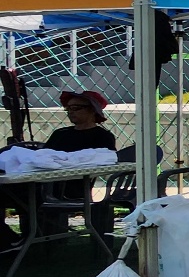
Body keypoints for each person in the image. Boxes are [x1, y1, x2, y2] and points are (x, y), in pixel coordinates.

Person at [0, 90, 118, 249]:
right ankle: (8, 240)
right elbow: (43, 158)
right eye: (68, 108)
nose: (70, 112)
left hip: (70, 187)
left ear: (92, 110)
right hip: (40, 182)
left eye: (76, 108)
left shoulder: (102, 137)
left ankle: (21, 242)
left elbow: (103, 163)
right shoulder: (60, 133)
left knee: (16, 192)